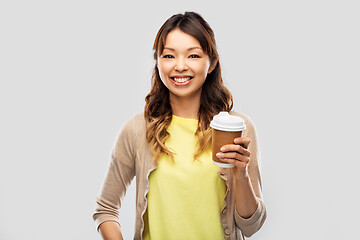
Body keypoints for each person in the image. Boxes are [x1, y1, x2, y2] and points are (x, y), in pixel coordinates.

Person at [92, 11, 266, 240]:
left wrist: (240, 173)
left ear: (211, 62)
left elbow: (251, 226)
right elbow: (106, 210)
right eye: (169, 56)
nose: (180, 66)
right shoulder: (137, 130)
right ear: (157, 62)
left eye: (193, 56)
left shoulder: (237, 128)